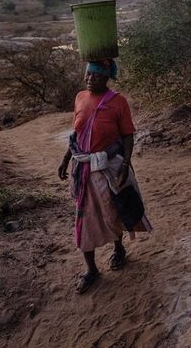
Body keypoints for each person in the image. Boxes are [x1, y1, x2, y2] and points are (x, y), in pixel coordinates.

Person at [57, 59, 152, 294]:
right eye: (88, 74)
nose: (90, 79)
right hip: (83, 170)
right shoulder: (80, 97)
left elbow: (128, 135)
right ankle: (91, 270)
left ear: (106, 78)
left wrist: (126, 163)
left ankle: (119, 249)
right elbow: (78, 134)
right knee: (84, 218)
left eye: (96, 76)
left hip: (108, 168)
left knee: (113, 211)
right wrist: (66, 158)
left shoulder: (118, 102)